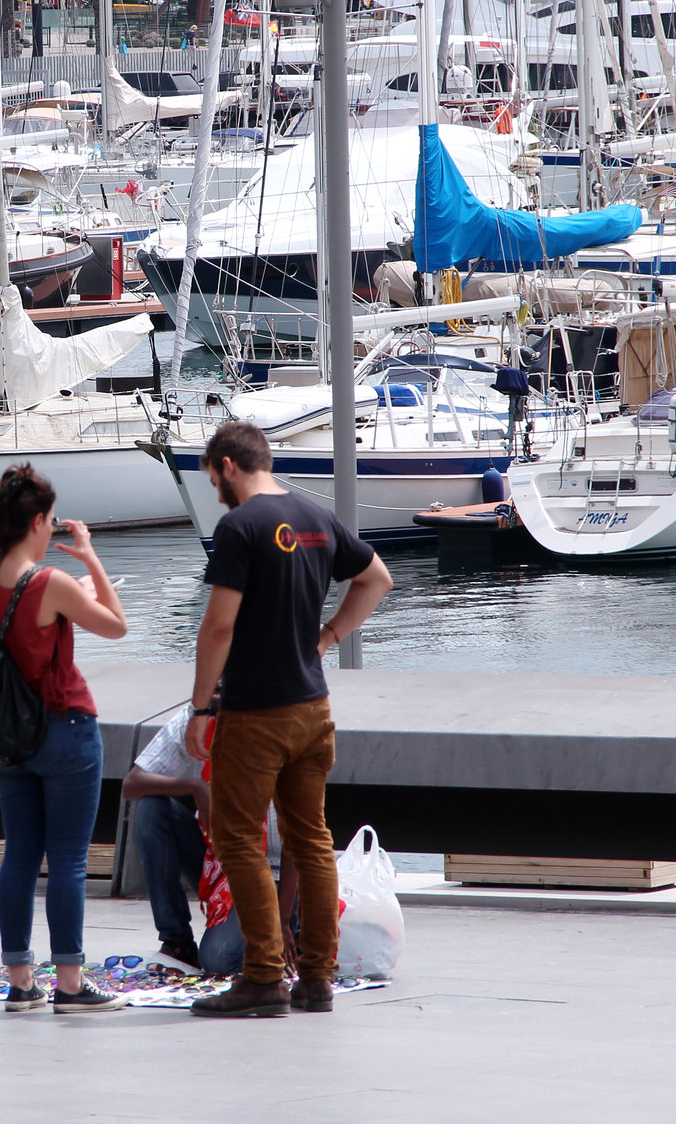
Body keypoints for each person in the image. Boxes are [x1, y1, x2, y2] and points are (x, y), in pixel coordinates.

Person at [184, 421, 393, 1018]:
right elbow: (376, 579)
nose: (216, 491)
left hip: (256, 710)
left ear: (226, 465)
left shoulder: (239, 527)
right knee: (312, 839)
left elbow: (219, 626)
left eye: (213, 478)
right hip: (313, 707)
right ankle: (318, 979)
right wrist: (327, 635)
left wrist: (201, 706)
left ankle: (263, 977)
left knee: (238, 839)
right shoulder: (315, 516)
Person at [0, 465, 131, 1013]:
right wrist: (88, 560)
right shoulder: (50, 582)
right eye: (51, 522)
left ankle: (19, 981)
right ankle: (69, 984)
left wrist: (68, 594)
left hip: (7, 734)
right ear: (39, 521)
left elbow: (13, 634)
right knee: (67, 860)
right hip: (63, 730)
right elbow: (116, 624)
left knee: (19, 854)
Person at [125, 703, 297, 976]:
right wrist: (194, 786)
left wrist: (284, 921)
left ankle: (286, 935)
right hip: (221, 866)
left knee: (218, 960)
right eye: (211, 679)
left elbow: (299, 843)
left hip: (278, 877)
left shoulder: (280, 724)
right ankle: (177, 941)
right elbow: (132, 783)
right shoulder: (199, 715)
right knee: (153, 808)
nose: (217, 687)